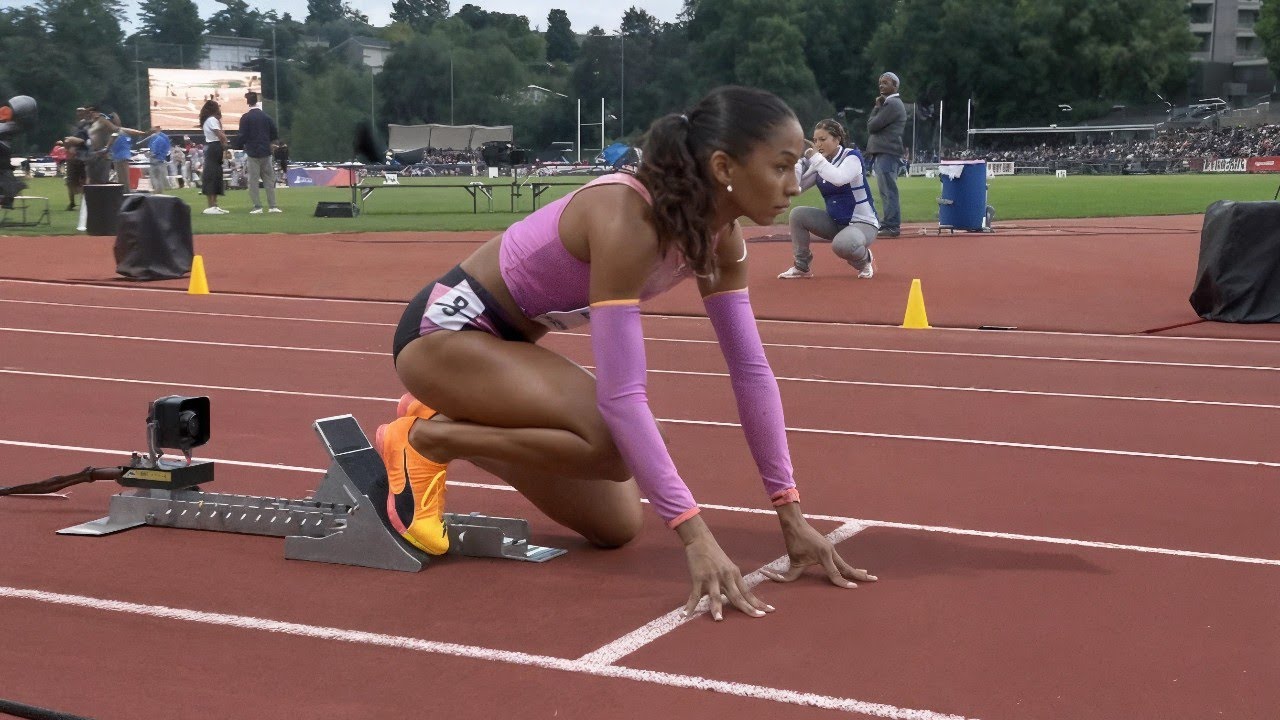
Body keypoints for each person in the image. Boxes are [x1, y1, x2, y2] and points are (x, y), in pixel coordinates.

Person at [381, 86, 876, 621]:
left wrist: (791, 515)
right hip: (442, 336)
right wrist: (695, 536)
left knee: (616, 526)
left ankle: (452, 415)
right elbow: (622, 397)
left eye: (796, 166)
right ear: (723, 167)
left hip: (504, 349)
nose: (794, 184)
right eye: (780, 166)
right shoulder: (627, 219)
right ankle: (426, 440)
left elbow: (750, 372)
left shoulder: (724, 242)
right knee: (618, 447)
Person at [777, 119, 879, 279]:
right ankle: (801, 266)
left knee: (843, 245)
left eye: (822, 139)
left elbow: (839, 178)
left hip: (862, 222)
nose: (818, 144)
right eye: (815, 140)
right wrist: (797, 164)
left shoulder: (852, 157)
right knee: (797, 215)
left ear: (837, 139)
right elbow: (797, 188)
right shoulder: (821, 161)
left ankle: (864, 260)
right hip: (836, 222)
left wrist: (815, 159)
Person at [867, 72, 906, 237]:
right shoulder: (890, 103)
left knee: (888, 190)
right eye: (880, 82)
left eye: (885, 82)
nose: (881, 85)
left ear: (895, 86)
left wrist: (877, 107)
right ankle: (889, 223)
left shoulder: (892, 104)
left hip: (887, 151)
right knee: (886, 190)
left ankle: (891, 225)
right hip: (885, 151)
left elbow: (872, 126)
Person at [233, 91, 280, 213]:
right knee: (268, 180)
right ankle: (273, 206)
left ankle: (258, 206)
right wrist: (269, 142)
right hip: (266, 152)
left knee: (253, 181)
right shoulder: (266, 117)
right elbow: (274, 133)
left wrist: (237, 145)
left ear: (248, 103)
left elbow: (242, 135)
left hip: (253, 152)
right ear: (257, 102)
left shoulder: (245, 117)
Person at [199, 100, 229, 215]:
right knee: (212, 175)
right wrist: (225, 144)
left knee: (215, 175)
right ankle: (211, 205)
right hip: (214, 147)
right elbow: (219, 134)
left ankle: (214, 205)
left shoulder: (210, 120)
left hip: (213, 147)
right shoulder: (212, 119)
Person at [145, 126, 171, 193]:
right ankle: (160, 190)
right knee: (160, 176)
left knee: (154, 176)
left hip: (155, 159)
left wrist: (148, 154)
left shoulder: (155, 140)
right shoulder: (162, 138)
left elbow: (154, 151)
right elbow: (167, 149)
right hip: (161, 159)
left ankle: (157, 190)